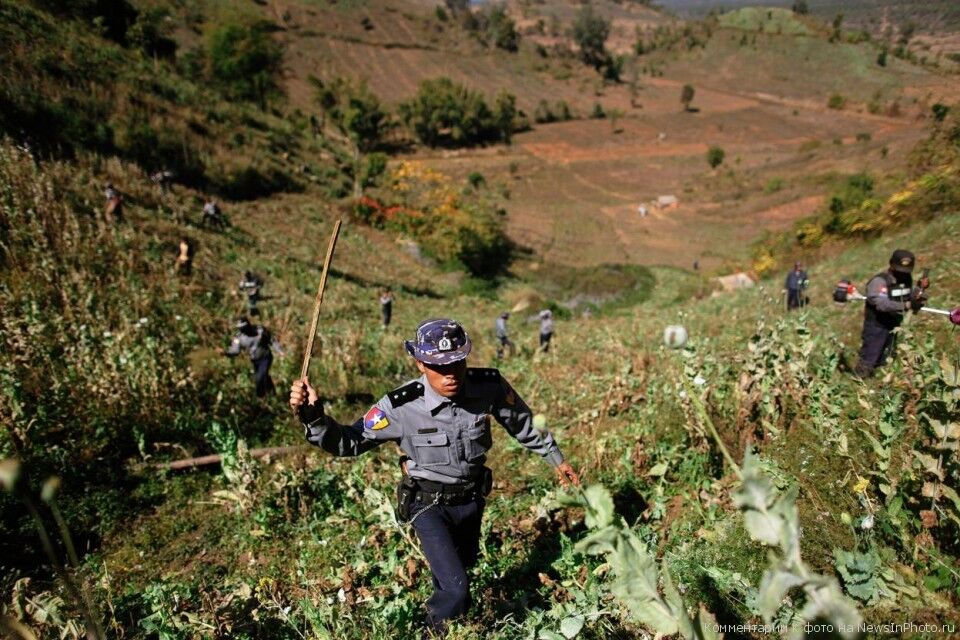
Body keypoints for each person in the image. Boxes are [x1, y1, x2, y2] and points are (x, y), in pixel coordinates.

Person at [289, 318, 580, 634]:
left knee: (460, 571)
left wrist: (556, 459)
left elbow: (522, 423)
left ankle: (459, 627)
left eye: (457, 363)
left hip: (470, 500)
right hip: (427, 504)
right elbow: (350, 441)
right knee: (456, 589)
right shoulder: (400, 405)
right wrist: (313, 416)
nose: (450, 374)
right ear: (420, 363)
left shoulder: (489, 386)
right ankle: (433, 631)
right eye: (438, 367)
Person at [854, 250, 928, 378]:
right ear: (891, 265)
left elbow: (907, 296)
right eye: (899, 270)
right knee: (870, 357)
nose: (902, 273)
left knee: (887, 356)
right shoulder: (879, 281)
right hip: (877, 325)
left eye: (905, 271)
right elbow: (881, 304)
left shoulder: (906, 279)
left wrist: (919, 290)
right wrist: (906, 306)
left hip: (894, 324)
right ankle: (859, 383)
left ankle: (880, 384)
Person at [222, 317, 283, 397]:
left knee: (260, 377)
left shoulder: (260, 331)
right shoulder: (239, 337)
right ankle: (272, 394)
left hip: (265, 357)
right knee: (263, 376)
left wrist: (280, 351)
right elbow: (235, 350)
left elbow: (271, 340)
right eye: (241, 328)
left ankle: (261, 397)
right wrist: (225, 352)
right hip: (255, 360)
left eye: (244, 327)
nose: (243, 330)